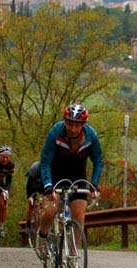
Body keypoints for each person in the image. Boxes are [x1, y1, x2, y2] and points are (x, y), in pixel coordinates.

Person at [38, 104, 102, 246]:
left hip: (78, 176)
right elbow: (45, 161)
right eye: (70, 124)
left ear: (83, 125)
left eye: (77, 125)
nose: (73, 129)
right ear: (65, 122)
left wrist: (94, 185)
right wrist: (48, 185)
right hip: (56, 175)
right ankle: (42, 234)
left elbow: (98, 161)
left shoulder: (91, 136)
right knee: (50, 211)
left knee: (79, 216)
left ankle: (73, 254)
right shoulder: (56, 132)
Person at [24, 160, 44, 240]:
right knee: (31, 205)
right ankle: (28, 225)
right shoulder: (36, 167)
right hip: (33, 184)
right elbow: (29, 182)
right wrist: (29, 196)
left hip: (44, 185)